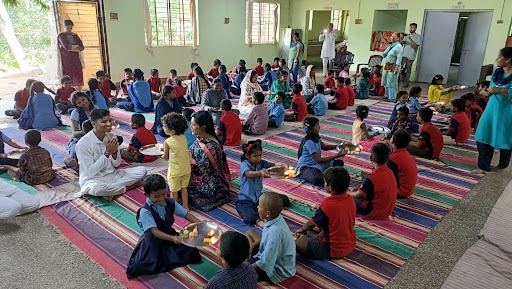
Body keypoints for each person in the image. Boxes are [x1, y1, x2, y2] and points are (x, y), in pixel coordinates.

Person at [125, 174, 201, 279]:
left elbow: (186, 214)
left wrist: (200, 223)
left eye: (163, 194)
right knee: (141, 265)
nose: (161, 199)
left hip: (169, 233)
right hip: (153, 240)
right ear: (146, 195)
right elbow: (154, 231)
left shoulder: (170, 202)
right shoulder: (145, 211)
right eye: (156, 196)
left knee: (191, 251)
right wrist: (172, 238)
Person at [75, 109, 147, 201]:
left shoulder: (111, 137)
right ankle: (127, 187)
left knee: (142, 170)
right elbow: (90, 172)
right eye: (104, 122)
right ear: (94, 124)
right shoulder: (83, 144)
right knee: (97, 189)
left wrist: (114, 153)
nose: (109, 124)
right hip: (93, 179)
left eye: (109, 120)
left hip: (113, 175)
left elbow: (116, 164)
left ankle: (111, 191)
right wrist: (106, 154)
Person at [295, 166, 356, 259]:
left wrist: (303, 229)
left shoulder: (327, 205)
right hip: (350, 243)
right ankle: (311, 240)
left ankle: (308, 241)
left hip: (333, 249)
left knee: (295, 243)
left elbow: (311, 223)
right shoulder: (350, 199)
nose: (324, 183)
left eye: (325, 182)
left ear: (330, 187)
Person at [474, 47, 512, 173]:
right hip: (491, 109)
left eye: (500, 57)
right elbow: (491, 88)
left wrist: (500, 90)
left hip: (507, 113)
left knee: (506, 138)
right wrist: (486, 92)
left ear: (509, 59)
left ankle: (503, 164)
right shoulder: (497, 73)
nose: (497, 59)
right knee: (483, 135)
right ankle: (484, 167)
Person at [245, 192, 296, 284]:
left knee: (241, 271)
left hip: (276, 269)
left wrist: (245, 269)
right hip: (270, 253)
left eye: (259, 206)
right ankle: (249, 253)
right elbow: (265, 238)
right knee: (249, 232)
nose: (257, 207)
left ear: (267, 213)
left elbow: (265, 263)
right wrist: (253, 246)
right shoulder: (275, 218)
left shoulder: (275, 232)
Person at [236, 140, 290, 225]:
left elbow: (272, 165)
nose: (259, 158)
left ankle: (260, 210)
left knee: (284, 200)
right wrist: (259, 173)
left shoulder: (260, 163)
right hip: (246, 200)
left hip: (259, 197)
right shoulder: (244, 164)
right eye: (255, 156)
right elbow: (248, 173)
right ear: (247, 155)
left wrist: (281, 166)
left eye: (260, 155)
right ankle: (243, 207)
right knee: (250, 219)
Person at [188, 111, 231, 211]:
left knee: (178, 183)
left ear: (202, 127)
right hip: (211, 176)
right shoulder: (204, 138)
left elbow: (201, 169)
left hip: (209, 182)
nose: (191, 127)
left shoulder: (210, 146)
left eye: (193, 125)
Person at [348, 143, 397, 219]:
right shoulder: (390, 172)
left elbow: (358, 195)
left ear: (371, 158)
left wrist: (349, 193)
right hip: (387, 210)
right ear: (388, 158)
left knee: (346, 198)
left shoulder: (372, 177)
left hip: (374, 211)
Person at [297, 117, 345, 186]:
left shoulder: (316, 138)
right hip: (306, 167)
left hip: (316, 164)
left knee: (339, 164)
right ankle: (307, 174)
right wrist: (336, 156)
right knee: (318, 179)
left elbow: (325, 147)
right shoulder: (309, 142)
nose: (319, 127)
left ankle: (322, 172)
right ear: (310, 129)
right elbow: (319, 160)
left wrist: (339, 146)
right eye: (317, 126)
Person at [161, 113, 192, 211]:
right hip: (186, 169)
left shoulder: (168, 141)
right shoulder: (183, 137)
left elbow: (165, 157)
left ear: (172, 131)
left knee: (173, 191)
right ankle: (185, 206)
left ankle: (173, 208)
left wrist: (160, 154)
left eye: (164, 126)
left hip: (174, 171)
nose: (163, 127)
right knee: (184, 188)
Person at [387, 130, 417, 198]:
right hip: (408, 190)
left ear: (392, 141)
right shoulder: (405, 153)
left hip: (401, 192)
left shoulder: (394, 159)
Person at [57, 19, 84, 87]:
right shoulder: (61, 36)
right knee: (68, 74)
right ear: (64, 27)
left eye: (71, 28)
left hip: (75, 58)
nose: (69, 29)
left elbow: (82, 47)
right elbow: (66, 47)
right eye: (67, 28)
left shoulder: (74, 35)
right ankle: (68, 89)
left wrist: (75, 47)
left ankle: (78, 90)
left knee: (77, 72)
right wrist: (76, 47)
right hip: (67, 59)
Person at [381, 33, 404, 100]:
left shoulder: (399, 47)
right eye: (392, 36)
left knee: (391, 81)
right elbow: (385, 56)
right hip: (387, 65)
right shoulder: (391, 46)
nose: (392, 38)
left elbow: (399, 58)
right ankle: (387, 95)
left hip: (393, 66)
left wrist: (396, 68)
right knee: (386, 80)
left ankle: (392, 97)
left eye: (395, 37)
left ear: (398, 38)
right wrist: (383, 67)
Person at [400, 23, 422, 89]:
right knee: (401, 70)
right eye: (410, 27)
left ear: (415, 28)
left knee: (408, 71)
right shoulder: (407, 36)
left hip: (411, 57)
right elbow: (401, 43)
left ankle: (406, 85)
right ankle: (404, 82)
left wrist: (410, 38)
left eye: (412, 27)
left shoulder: (418, 37)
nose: (410, 29)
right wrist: (401, 38)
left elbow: (415, 46)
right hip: (403, 55)